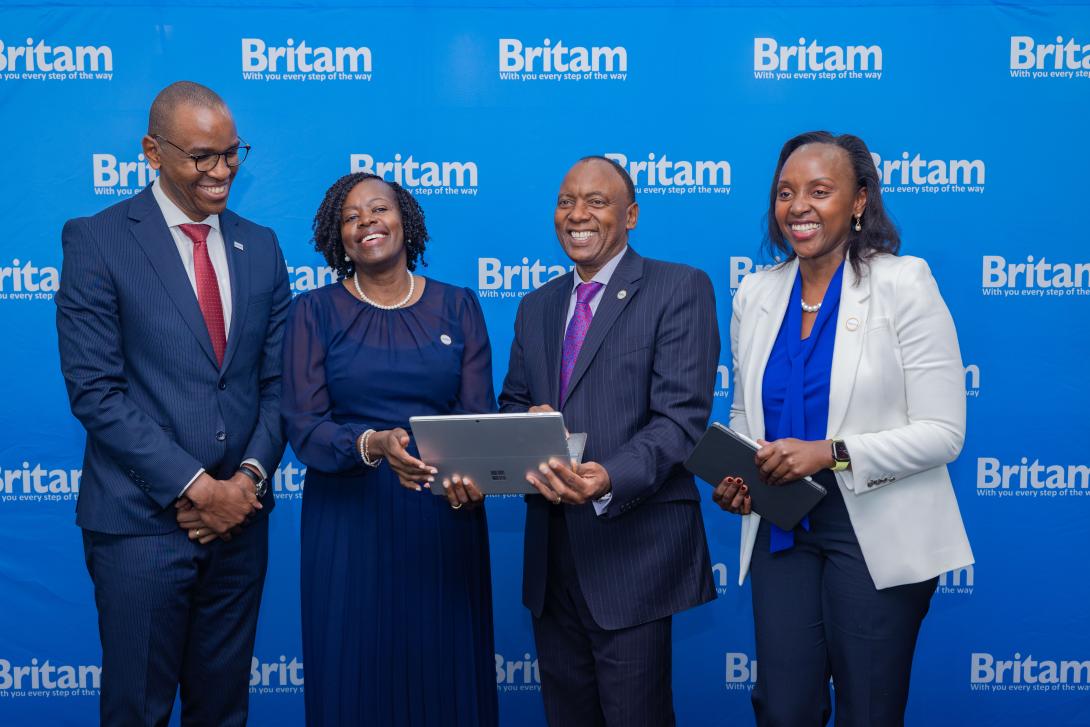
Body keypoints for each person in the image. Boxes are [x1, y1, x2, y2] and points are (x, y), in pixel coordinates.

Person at [713, 131, 974, 726]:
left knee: (869, 711)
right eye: (785, 192)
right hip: (781, 521)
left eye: (819, 191)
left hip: (876, 529)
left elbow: (944, 432)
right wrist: (742, 473)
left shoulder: (904, 282)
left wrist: (829, 452)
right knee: (783, 709)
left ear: (859, 201)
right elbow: (745, 415)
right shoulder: (756, 292)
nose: (798, 206)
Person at [55, 81, 290, 725]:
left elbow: (277, 386)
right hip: (141, 528)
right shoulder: (98, 240)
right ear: (152, 152)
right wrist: (196, 487)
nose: (222, 171)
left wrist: (245, 482)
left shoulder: (262, 246)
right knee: (138, 711)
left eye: (232, 153)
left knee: (223, 712)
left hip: (241, 525)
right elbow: (95, 392)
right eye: (201, 157)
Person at [498, 156, 719, 727]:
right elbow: (512, 405)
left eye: (596, 202)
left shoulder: (679, 288)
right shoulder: (536, 306)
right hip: (552, 561)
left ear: (631, 216)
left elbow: (681, 421)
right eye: (566, 201)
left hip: (633, 556)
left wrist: (607, 476)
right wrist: (527, 425)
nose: (578, 214)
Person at [281, 171, 498, 726]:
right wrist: (373, 444)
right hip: (348, 522)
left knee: (443, 677)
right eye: (350, 217)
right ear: (339, 238)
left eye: (378, 209)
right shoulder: (313, 311)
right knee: (353, 674)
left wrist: (472, 478)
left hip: (441, 521)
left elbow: (478, 419)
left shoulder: (459, 307)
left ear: (405, 219)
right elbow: (304, 425)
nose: (366, 223)